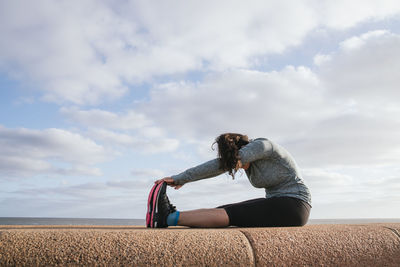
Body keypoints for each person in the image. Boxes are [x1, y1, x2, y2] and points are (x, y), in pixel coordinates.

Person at [153, 133, 311, 228]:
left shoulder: (262, 146)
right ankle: (173, 215)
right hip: (280, 203)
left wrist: (181, 178)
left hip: (294, 205)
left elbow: (219, 166)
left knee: (232, 214)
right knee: (222, 210)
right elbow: (223, 166)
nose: (239, 168)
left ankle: (166, 218)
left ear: (242, 150)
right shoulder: (251, 160)